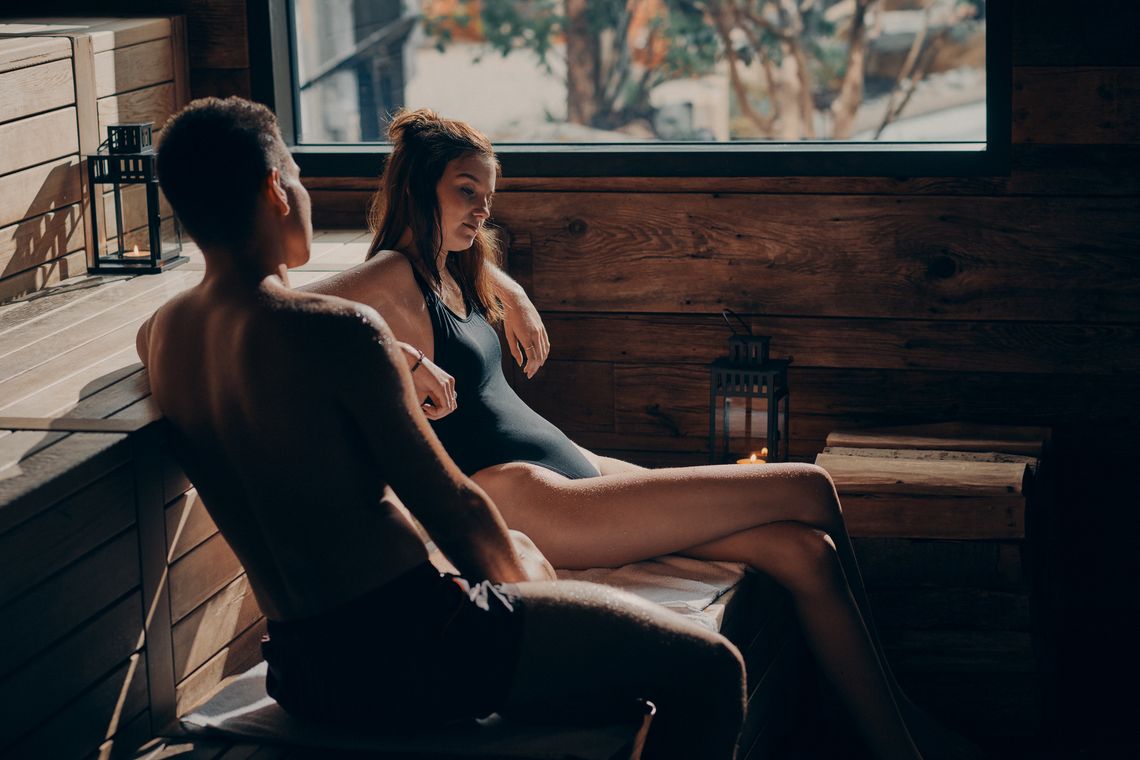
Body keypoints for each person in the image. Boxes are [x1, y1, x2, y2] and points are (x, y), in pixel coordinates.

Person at [310, 108, 982, 760]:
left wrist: (506, 289)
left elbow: (473, 264)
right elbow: (296, 317)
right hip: (525, 497)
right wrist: (408, 357)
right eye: (466, 191)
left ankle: (887, 722)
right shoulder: (392, 276)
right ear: (416, 185)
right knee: (810, 485)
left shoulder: (452, 272)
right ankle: (906, 734)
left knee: (806, 553)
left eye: (488, 195)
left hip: (576, 473)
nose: (482, 209)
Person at [138, 97, 747, 760]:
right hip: (422, 650)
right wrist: (545, 612)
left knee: (563, 605)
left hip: (303, 670)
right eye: (300, 175)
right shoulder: (338, 332)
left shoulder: (167, 337)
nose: (305, 191)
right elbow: (454, 509)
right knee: (712, 665)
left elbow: (215, 327)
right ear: (273, 189)